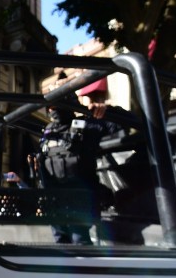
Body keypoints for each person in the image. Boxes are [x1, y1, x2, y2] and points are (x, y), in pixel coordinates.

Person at [36, 74, 122, 244]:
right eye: (51, 105)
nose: (53, 109)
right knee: (61, 243)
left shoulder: (87, 125)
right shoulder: (48, 131)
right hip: (55, 202)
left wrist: (105, 110)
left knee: (80, 243)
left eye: (57, 104)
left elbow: (127, 121)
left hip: (79, 202)